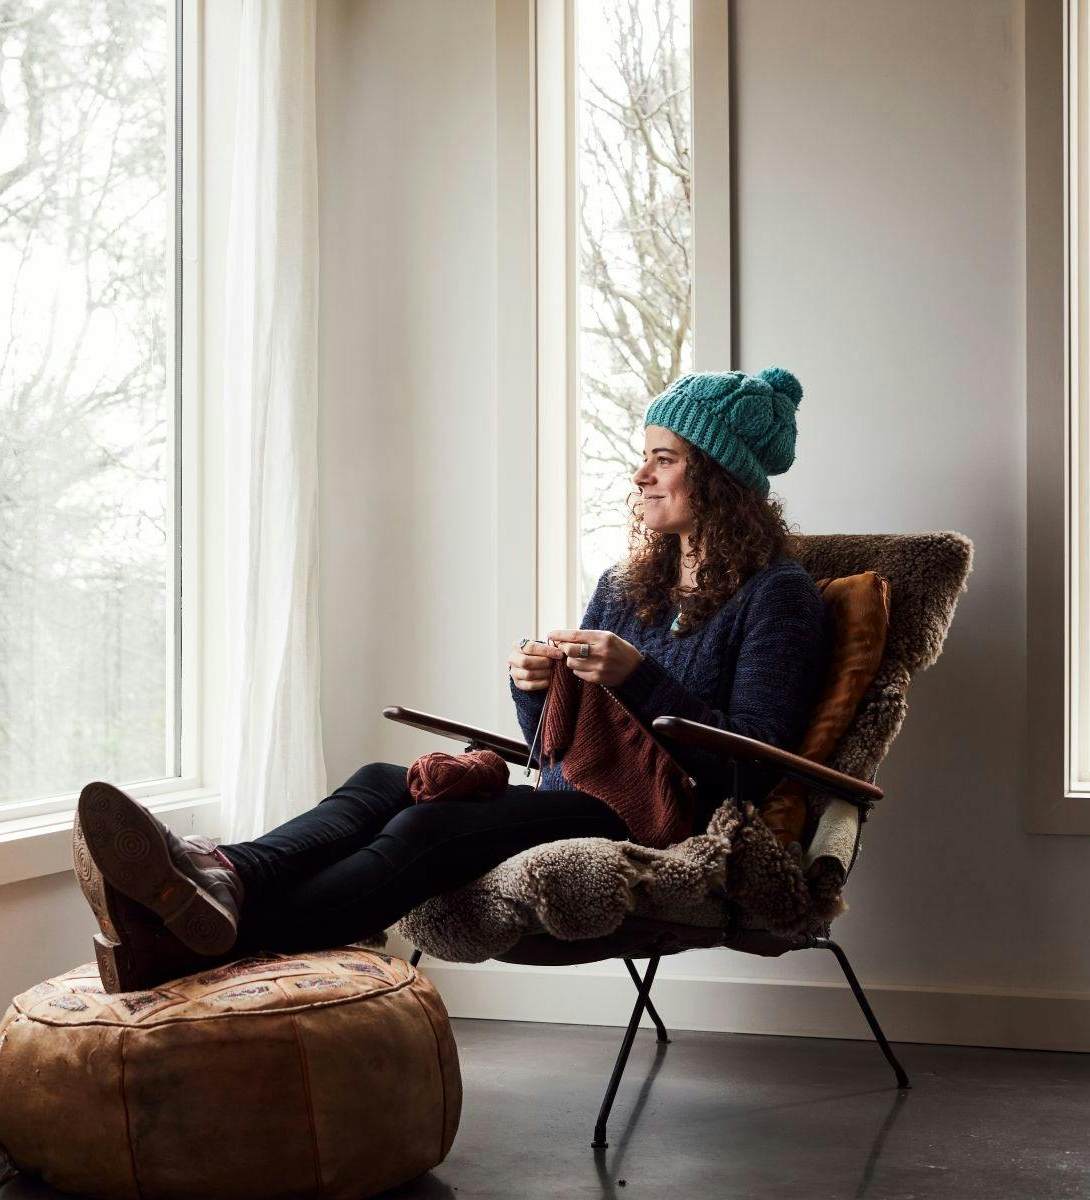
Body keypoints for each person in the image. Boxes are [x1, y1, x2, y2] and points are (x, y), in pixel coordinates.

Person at [72, 366, 830, 992]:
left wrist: (640, 679)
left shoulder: (778, 593)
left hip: (664, 819)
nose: (641, 474)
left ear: (720, 473)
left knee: (430, 826)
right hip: (576, 795)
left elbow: (753, 760)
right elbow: (555, 750)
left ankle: (211, 941)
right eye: (647, 456)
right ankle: (223, 873)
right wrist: (535, 691)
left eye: (664, 457)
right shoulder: (625, 585)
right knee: (379, 780)